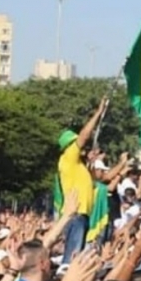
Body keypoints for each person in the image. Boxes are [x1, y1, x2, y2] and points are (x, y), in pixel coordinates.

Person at [56, 98, 107, 264]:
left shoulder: (77, 165)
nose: (83, 148)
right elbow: (84, 136)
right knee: (72, 258)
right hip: (75, 215)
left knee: (77, 258)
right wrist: (98, 113)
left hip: (82, 215)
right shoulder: (68, 156)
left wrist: (89, 162)